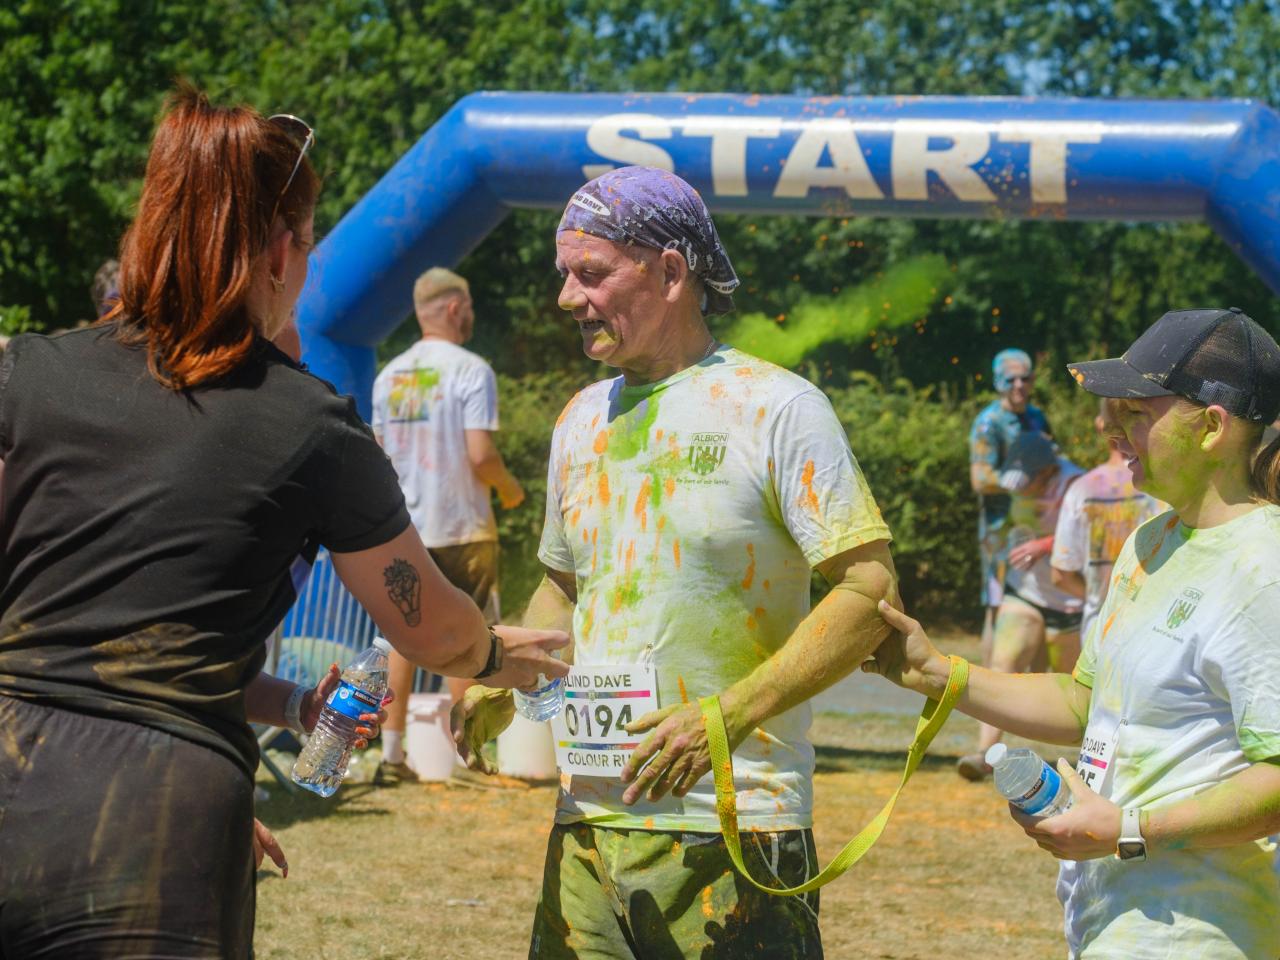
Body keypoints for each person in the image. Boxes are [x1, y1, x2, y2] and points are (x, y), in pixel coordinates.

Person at [0, 86, 567, 958]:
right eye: (306, 246)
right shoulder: (311, 424)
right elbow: (430, 629)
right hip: (160, 809)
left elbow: (99, 644)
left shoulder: (24, 374)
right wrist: (497, 654)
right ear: (277, 250)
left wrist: (280, 715)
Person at [452, 166, 897, 959]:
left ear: (669, 271)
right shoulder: (579, 418)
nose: (567, 299)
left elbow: (867, 591)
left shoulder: (778, 408)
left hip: (733, 824)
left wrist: (725, 718)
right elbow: (566, 586)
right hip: (587, 824)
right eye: (565, 276)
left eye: (590, 274)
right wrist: (512, 680)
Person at [868, 306, 1280, 959]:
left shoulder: (1264, 567)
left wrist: (1129, 828)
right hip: (1112, 919)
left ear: (1212, 428)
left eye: (1135, 414)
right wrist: (934, 671)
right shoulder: (1151, 542)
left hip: (1200, 932)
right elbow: (1085, 704)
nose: (1105, 426)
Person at [371, 267, 525, 782]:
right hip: (461, 525)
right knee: (474, 635)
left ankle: (391, 758)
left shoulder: (388, 375)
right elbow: (480, 455)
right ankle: (470, 760)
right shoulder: (471, 369)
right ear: (456, 309)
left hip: (401, 528)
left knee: (399, 638)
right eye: (471, 309)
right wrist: (510, 489)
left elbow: (378, 456)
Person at [957, 431, 1083, 780]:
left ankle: (1094, 760)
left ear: (1046, 473)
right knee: (1002, 664)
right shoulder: (1020, 486)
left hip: (1070, 601)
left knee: (1075, 686)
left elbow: (1092, 537)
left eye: (1028, 483)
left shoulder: (1078, 487)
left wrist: (1044, 545)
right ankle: (985, 755)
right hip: (1025, 591)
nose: (1021, 490)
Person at [1050, 401, 1164, 642]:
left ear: (1101, 426)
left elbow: (1060, 575)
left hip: (1098, 629)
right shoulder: (1160, 485)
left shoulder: (1081, 490)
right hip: (1150, 626)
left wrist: (1096, 597)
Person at [969, 349, 1050, 653]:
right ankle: (987, 684)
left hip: (1036, 526)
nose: (1018, 385)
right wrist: (1017, 482)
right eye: (1010, 379)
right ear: (998, 382)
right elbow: (979, 478)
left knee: (1036, 603)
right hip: (999, 530)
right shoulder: (988, 423)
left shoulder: (1037, 418)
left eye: (1025, 378)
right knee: (997, 605)